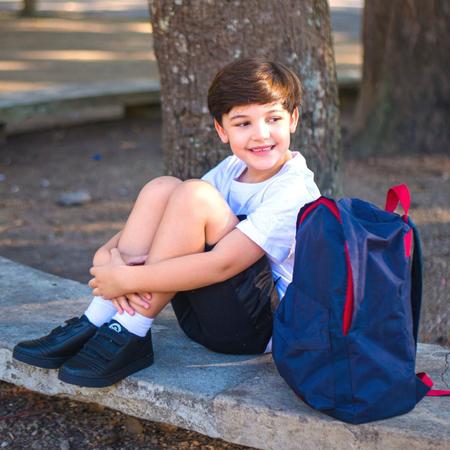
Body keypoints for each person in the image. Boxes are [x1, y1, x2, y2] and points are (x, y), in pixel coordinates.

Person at [13, 58, 321, 387]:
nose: (261, 134)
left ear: (293, 119)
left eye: (272, 118)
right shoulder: (232, 169)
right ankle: (99, 317)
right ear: (221, 130)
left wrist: (127, 278)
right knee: (164, 188)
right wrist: (107, 254)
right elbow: (170, 218)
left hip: (258, 330)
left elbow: (222, 264)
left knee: (193, 194)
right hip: (202, 316)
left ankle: (130, 330)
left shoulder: (293, 190)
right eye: (243, 123)